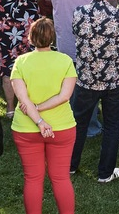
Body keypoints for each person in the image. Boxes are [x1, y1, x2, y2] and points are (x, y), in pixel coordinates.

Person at [67, 0, 119, 183]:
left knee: (78, 122)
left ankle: (70, 165)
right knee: (112, 125)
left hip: (86, 78)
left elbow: (77, 33)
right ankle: (105, 173)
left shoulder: (79, 13)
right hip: (114, 80)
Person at [10, 18, 77, 214]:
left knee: (32, 179)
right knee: (61, 178)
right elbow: (64, 96)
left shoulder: (21, 62)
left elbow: (22, 99)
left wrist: (37, 117)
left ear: (31, 38)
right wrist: (39, 112)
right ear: (52, 37)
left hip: (26, 129)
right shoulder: (65, 61)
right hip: (62, 128)